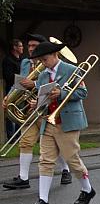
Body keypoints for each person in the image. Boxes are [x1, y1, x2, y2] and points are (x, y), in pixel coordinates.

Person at [26, 42, 96, 204]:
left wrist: (62, 94)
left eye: (45, 59)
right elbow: (44, 99)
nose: (43, 63)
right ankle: (43, 200)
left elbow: (83, 93)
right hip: (48, 121)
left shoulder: (72, 70)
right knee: (45, 160)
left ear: (55, 54)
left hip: (68, 121)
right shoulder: (42, 76)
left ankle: (87, 189)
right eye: (41, 60)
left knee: (71, 158)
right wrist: (37, 104)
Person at [3, 34, 72, 190]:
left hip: (46, 109)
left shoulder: (50, 64)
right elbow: (20, 82)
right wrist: (9, 96)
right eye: (29, 46)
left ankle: (65, 170)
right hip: (31, 109)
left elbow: (51, 82)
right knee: (25, 142)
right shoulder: (26, 62)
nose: (31, 49)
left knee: (55, 142)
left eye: (34, 46)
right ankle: (23, 178)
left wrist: (33, 84)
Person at [2, 38, 23, 139]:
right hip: (11, 88)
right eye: (20, 46)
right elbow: (8, 76)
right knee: (10, 111)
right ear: (15, 48)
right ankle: (11, 136)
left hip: (21, 88)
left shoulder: (22, 60)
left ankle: (18, 134)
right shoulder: (8, 60)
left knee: (20, 111)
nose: (22, 48)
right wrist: (22, 78)